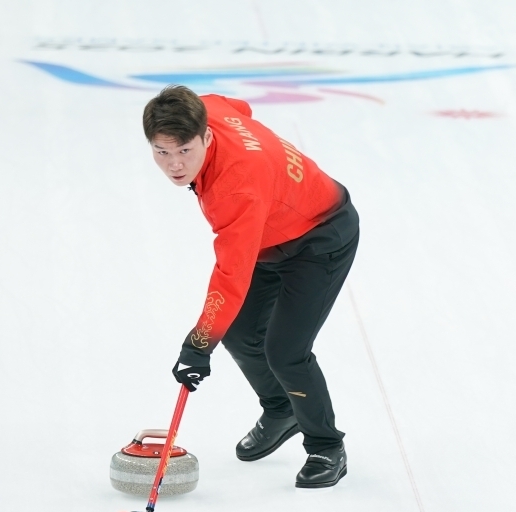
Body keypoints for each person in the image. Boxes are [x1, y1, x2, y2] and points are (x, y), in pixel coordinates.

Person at [142, 85, 359, 488]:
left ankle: (327, 447)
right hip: (270, 233)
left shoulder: (235, 189)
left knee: (287, 352)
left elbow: (231, 275)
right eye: (162, 152)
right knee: (241, 334)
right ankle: (281, 410)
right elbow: (237, 106)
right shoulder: (204, 109)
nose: (175, 165)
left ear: (206, 136)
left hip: (321, 237)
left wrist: (197, 344)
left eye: (185, 151)